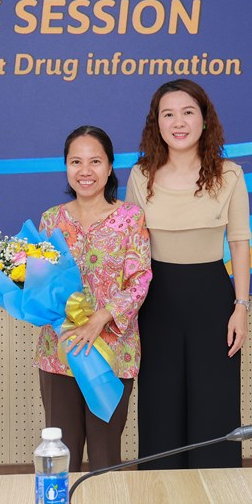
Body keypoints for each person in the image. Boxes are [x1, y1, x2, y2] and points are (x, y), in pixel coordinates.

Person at [125, 79, 251, 469]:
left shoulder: (230, 175)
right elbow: (130, 249)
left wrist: (241, 307)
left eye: (188, 112)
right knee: (159, 404)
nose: (178, 122)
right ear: (157, 123)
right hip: (155, 302)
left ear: (204, 119)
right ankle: (160, 493)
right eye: (168, 114)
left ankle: (216, 493)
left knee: (214, 404)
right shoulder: (140, 175)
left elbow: (239, 243)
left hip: (212, 300)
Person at [36, 125, 152, 472]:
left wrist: (101, 318)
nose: (85, 171)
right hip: (60, 353)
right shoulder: (51, 220)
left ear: (110, 166)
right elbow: (39, 284)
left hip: (112, 353)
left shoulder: (130, 218)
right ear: (66, 166)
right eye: (76, 162)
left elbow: (140, 280)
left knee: (105, 456)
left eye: (95, 161)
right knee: (62, 454)